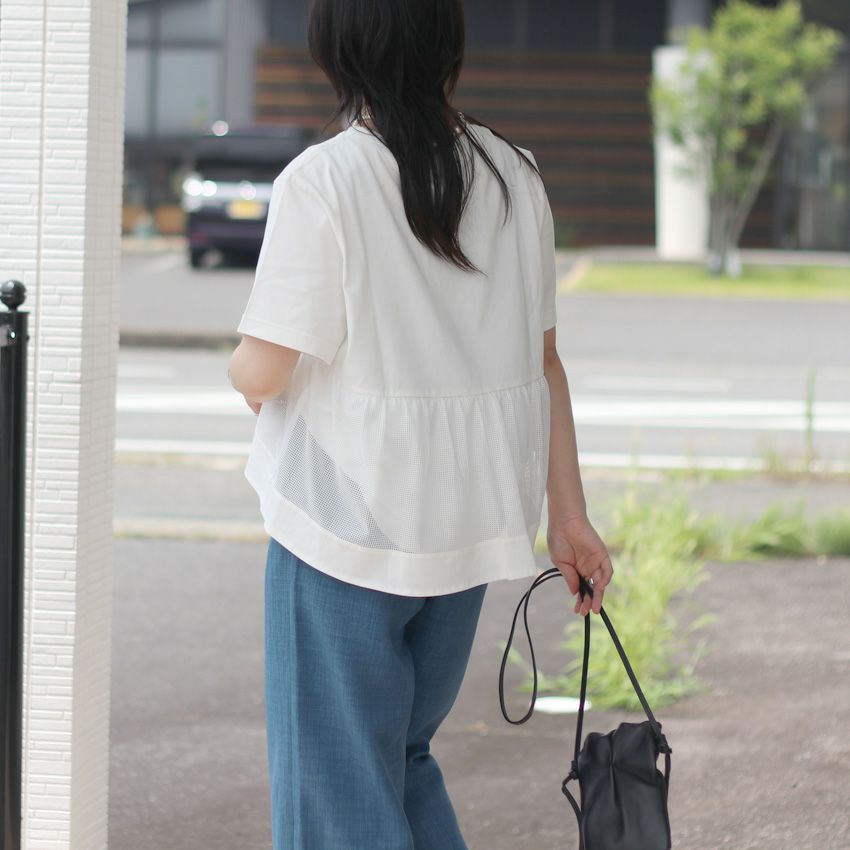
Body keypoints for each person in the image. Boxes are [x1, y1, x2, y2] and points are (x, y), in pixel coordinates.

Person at [227, 0, 614, 846]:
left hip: (345, 529)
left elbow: (263, 369)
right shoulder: (516, 173)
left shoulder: (326, 180)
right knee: (400, 761)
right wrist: (570, 516)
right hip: (463, 531)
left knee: (335, 781)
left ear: (340, 47)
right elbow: (544, 361)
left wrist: (242, 376)